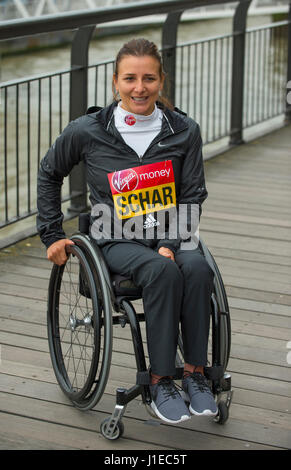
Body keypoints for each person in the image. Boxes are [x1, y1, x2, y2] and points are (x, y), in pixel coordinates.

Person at [37, 38, 217, 424]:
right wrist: (52, 234)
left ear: (161, 82)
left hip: (171, 230)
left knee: (198, 269)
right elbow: (49, 172)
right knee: (162, 270)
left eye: (149, 78)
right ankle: (160, 381)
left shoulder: (184, 130)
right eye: (130, 78)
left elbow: (193, 195)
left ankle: (197, 375)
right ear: (115, 81)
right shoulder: (88, 130)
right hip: (116, 237)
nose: (140, 88)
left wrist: (170, 242)